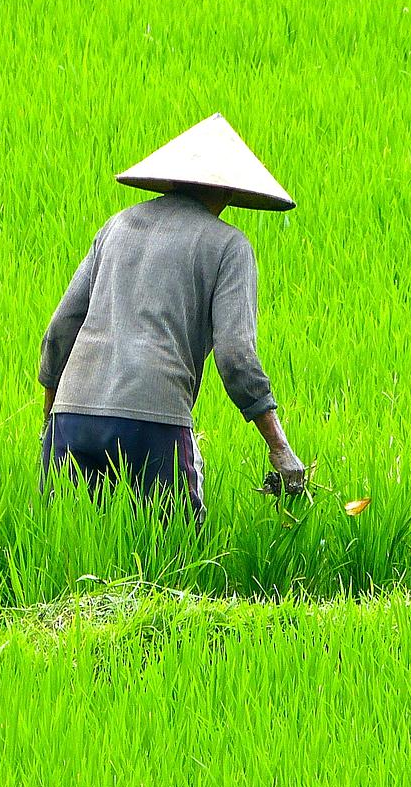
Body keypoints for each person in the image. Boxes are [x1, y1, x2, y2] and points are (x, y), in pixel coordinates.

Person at [38, 113, 307, 528]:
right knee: (175, 559)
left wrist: (51, 419)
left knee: (73, 555)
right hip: (154, 422)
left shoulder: (116, 226)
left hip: (72, 419)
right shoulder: (228, 245)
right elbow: (236, 355)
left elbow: (60, 329)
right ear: (230, 188)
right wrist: (278, 445)